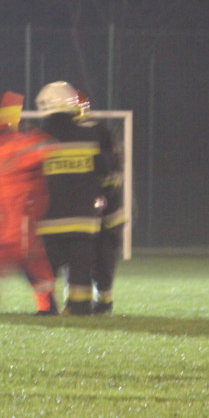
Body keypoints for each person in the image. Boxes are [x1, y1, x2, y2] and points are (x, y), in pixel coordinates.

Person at [0, 92, 58, 316]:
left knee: (29, 263)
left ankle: (45, 306)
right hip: (4, 223)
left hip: (18, 222)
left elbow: (48, 147)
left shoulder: (12, 146)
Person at [35, 81, 111, 316]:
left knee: (46, 268)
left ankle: (48, 308)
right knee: (80, 268)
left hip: (49, 219)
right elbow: (105, 172)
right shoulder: (91, 134)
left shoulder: (36, 138)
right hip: (83, 220)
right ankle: (79, 307)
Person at [75, 91, 124, 314]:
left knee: (101, 256)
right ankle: (95, 301)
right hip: (101, 208)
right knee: (94, 256)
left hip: (106, 210)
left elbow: (110, 174)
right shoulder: (98, 132)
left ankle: (101, 301)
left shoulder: (96, 134)